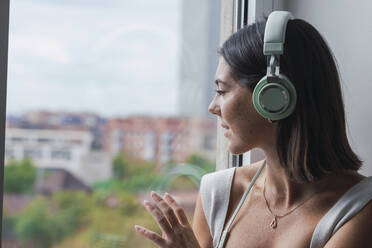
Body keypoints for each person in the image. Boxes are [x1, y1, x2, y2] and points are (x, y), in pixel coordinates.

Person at [134, 11, 372, 248]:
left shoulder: (359, 210)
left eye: (222, 91)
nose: (212, 107)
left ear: (273, 97)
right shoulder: (219, 194)